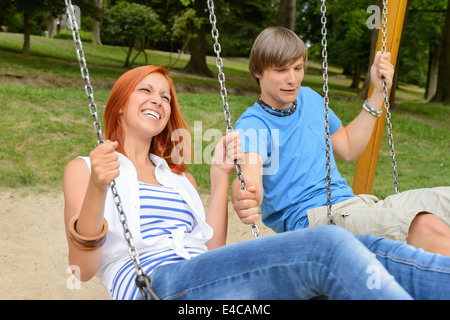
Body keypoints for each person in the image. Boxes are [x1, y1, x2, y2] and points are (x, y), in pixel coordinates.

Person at [63, 65, 450, 300]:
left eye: (166, 96)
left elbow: (209, 250)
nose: (159, 100)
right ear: (119, 102)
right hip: (157, 285)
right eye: (145, 90)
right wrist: (98, 187)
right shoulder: (86, 168)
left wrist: (219, 180)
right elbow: (80, 270)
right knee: (329, 245)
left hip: (201, 282)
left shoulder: (173, 177)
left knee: (370, 252)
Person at [231, 26, 450, 257]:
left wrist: (378, 92)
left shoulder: (309, 98)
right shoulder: (253, 124)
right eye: (281, 70)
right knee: (423, 226)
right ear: (257, 71)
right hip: (316, 223)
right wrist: (245, 194)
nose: (292, 79)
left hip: (357, 206)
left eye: (298, 68)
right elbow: (249, 176)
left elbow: (348, 148)